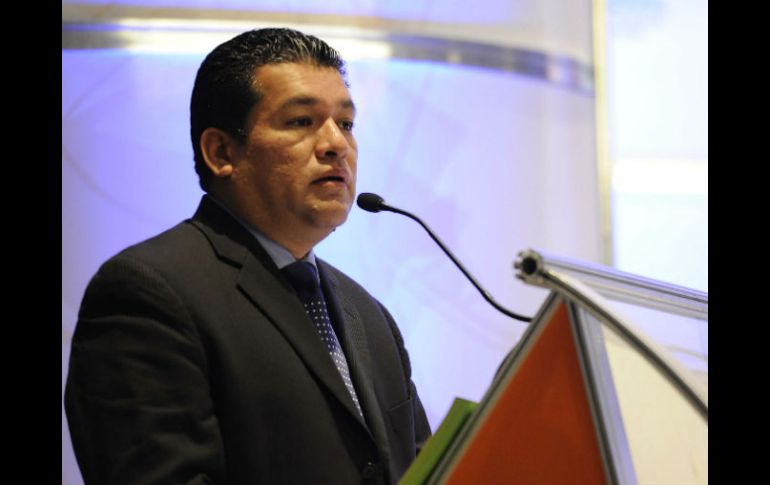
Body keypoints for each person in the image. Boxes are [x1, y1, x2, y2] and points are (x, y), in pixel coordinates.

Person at [65, 27, 431, 485]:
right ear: (221, 152)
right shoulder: (147, 294)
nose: (336, 144)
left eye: (346, 123)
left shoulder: (369, 315)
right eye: (301, 121)